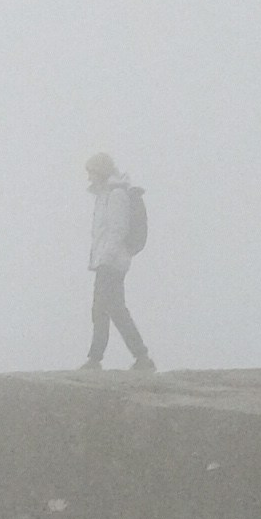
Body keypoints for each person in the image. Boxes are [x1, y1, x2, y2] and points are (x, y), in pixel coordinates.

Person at [82, 152, 156, 372]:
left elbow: (117, 230)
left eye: (91, 172)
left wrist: (104, 259)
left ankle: (100, 359)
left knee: (106, 309)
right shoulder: (105, 195)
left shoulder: (115, 195)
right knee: (110, 308)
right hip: (107, 260)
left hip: (111, 261)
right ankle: (138, 356)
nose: (88, 178)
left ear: (101, 172)